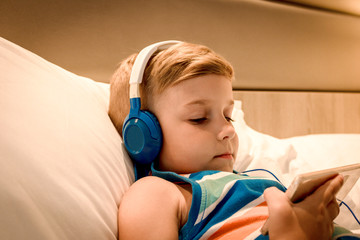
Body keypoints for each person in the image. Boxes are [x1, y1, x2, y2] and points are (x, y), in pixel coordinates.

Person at [108, 41, 352, 239]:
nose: (228, 130)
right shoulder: (155, 194)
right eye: (199, 118)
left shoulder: (249, 181)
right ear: (142, 135)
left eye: (228, 116)